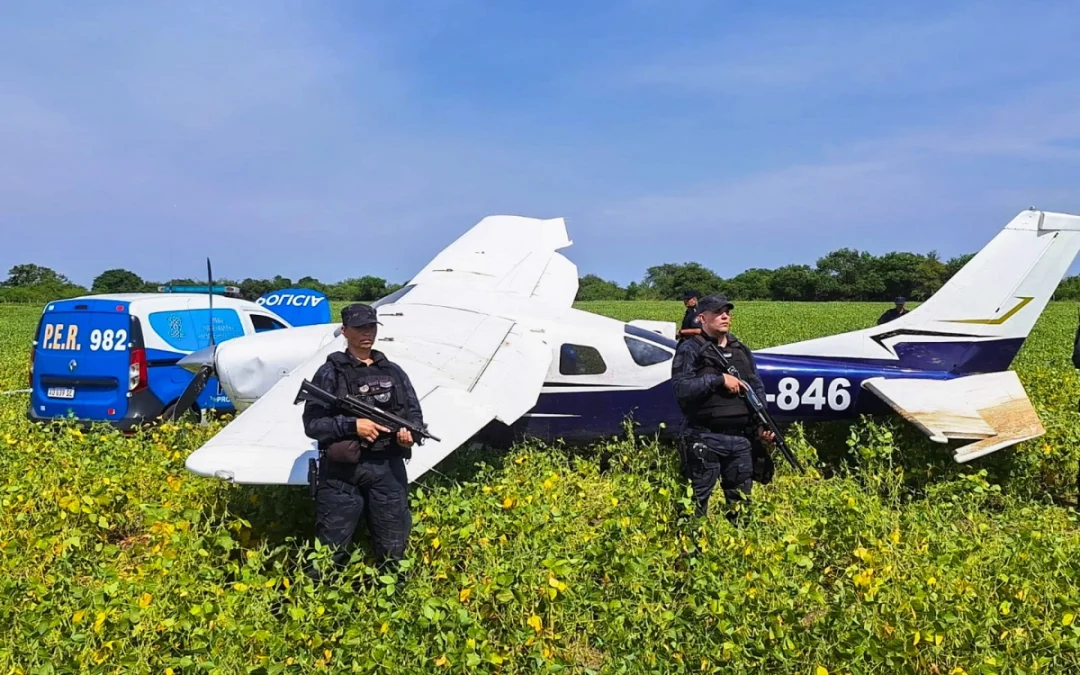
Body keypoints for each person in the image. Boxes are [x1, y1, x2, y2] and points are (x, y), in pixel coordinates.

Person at [301, 303, 424, 579]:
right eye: (359, 328)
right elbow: (312, 424)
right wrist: (353, 425)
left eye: (370, 327)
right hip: (342, 473)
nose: (366, 333)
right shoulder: (330, 372)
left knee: (393, 545)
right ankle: (318, 597)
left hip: (388, 469)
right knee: (330, 548)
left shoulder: (394, 372)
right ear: (344, 331)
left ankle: (393, 599)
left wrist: (408, 437)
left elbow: (414, 416)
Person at [671, 293, 774, 523]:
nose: (725, 316)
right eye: (718, 312)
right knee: (693, 507)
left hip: (741, 441)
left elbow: (756, 388)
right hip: (704, 437)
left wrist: (761, 425)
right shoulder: (690, 349)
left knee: (741, 508)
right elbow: (681, 388)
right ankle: (691, 545)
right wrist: (719, 380)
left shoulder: (741, 351)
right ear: (702, 318)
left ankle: (739, 543)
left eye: (727, 312)